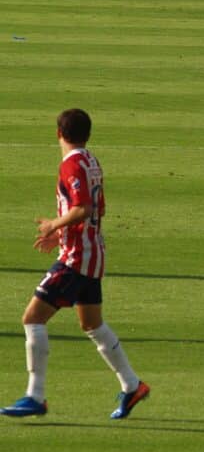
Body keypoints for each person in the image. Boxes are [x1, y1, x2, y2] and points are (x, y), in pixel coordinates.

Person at [1, 109, 150, 420]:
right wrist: (61, 235)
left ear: (58, 133)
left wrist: (55, 225)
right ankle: (132, 385)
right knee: (92, 324)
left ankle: (35, 396)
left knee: (32, 318)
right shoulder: (91, 161)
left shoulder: (71, 164)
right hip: (91, 252)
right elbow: (98, 210)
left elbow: (82, 208)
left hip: (76, 259)